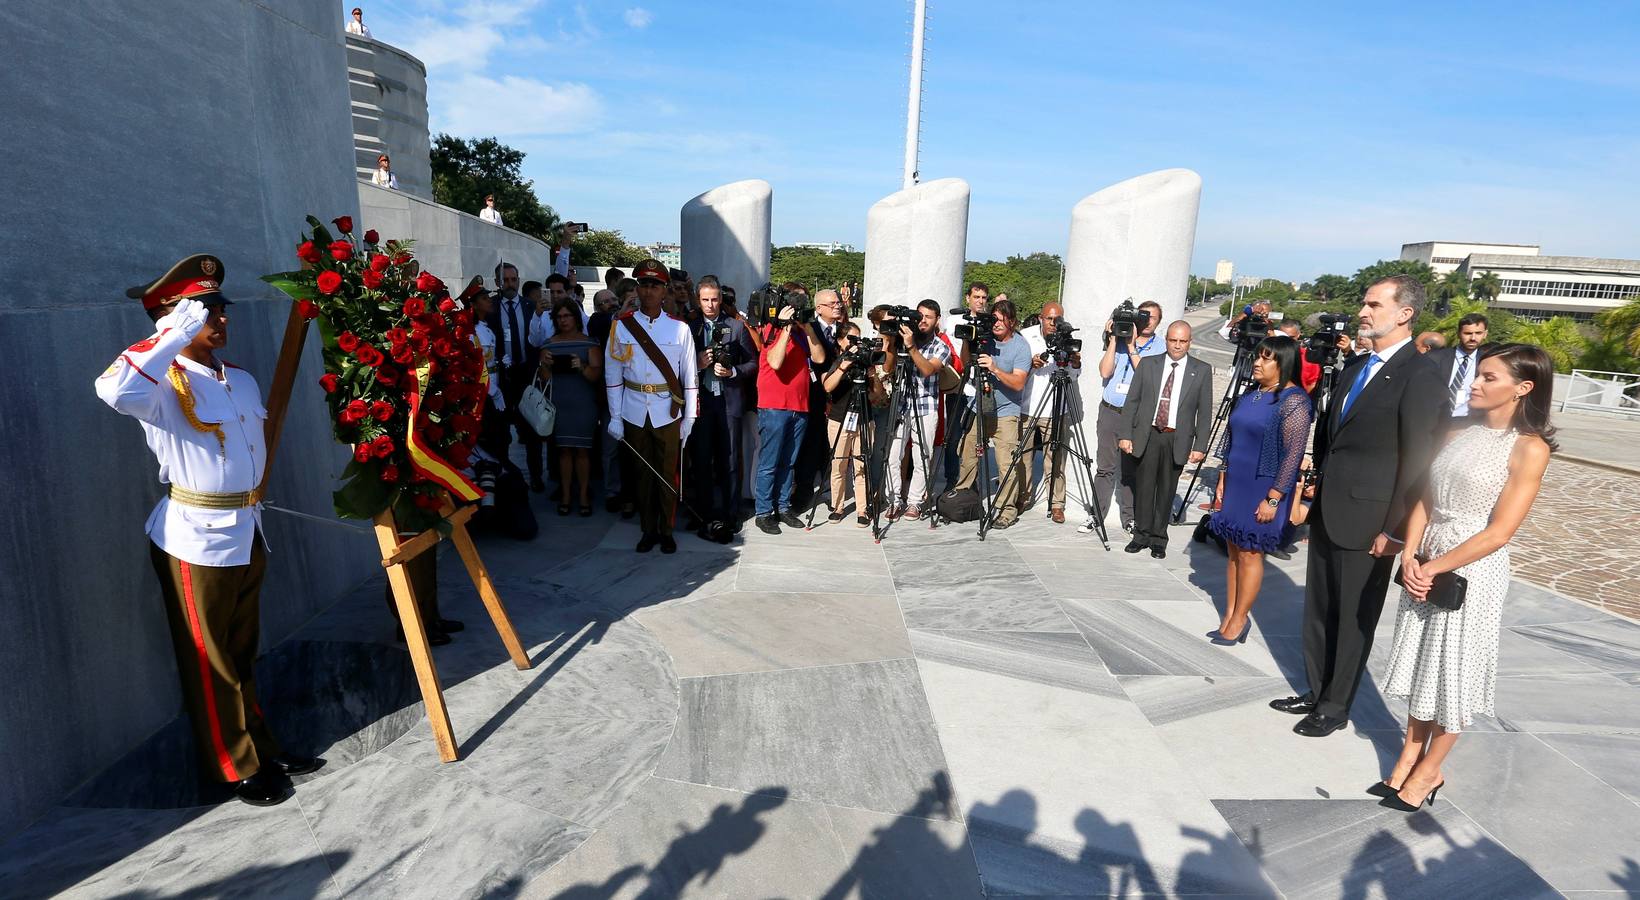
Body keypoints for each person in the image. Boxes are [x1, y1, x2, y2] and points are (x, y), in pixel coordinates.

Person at [95, 254, 321, 807]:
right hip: (193, 538)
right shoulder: (160, 385)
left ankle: (260, 746)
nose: (221, 319)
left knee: (241, 652)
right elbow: (113, 390)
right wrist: (173, 332)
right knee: (209, 659)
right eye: (207, 311)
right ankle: (233, 765)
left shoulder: (238, 379)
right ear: (174, 318)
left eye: (220, 309)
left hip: (247, 529)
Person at [1376, 343, 1555, 812]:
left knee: (1455, 671)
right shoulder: (1458, 434)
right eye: (1477, 375)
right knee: (1422, 666)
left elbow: (1499, 532)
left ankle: (1430, 770)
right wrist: (1411, 554)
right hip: (1427, 557)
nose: (1475, 383)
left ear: (1523, 387)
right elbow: (1426, 499)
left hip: (1472, 569)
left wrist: (1434, 566)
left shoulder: (1529, 448)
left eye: (1489, 378)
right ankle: (1407, 758)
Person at [1271, 274, 1446, 738]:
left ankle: (1335, 704)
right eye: (1364, 304)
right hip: (1330, 509)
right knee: (1319, 607)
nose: (1363, 312)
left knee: (1353, 616)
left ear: (1404, 313)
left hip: (1372, 522)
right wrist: (1310, 494)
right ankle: (1314, 688)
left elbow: (1419, 459)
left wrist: (1397, 529)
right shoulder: (1355, 367)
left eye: (1373, 304)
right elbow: (1330, 440)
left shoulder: (1421, 374)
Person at [1203, 335, 1310, 641]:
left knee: (1250, 553)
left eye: (1266, 358)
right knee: (1234, 550)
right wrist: (1222, 477)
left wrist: (1274, 499)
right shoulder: (1252, 394)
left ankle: (1240, 620)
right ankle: (1229, 616)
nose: (1257, 363)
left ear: (1283, 363)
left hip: (1264, 486)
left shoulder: (1294, 401)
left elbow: (1293, 455)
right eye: (1257, 357)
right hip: (1237, 481)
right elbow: (1232, 440)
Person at [605, 260, 698, 552]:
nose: (648, 291)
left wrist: (691, 415)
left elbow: (690, 376)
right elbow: (613, 374)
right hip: (633, 409)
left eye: (655, 285)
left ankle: (666, 530)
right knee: (641, 474)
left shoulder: (679, 329)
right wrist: (615, 416)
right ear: (637, 288)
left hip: (667, 411)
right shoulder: (621, 326)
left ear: (664, 290)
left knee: (668, 472)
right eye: (643, 284)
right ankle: (648, 529)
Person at [1118, 321, 1215, 558]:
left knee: (1166, 491)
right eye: (1173, 340)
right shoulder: (1149, 364)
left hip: (1176, 438)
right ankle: (1140, 535)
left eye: (1183, 341)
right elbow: (1132, 401)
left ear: (1190, 342)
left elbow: (1204, 413)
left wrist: (1200, 446)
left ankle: (1159, 539)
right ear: (1167, 340)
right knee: (1144, 488)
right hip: (1148, 435)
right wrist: (1125, 435)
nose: (1178, 346)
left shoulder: (1201, 370)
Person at [953, 298, 1034, 527]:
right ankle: (961, 501)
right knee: (967, 456)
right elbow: (965, 362)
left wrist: (995, 369)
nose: (996, 324)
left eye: (1001, 320)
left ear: (1013, 321)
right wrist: (969, 341)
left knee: (1006, 462)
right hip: (979, 406)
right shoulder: (985, 338)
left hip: (1006, 411)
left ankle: (1008, 510)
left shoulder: (1021, 346)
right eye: (993, 319)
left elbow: (1019, 383)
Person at [690, 276, 758, 536]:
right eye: (705, 299)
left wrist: (733, 372)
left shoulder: (736, 327)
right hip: (701, 402)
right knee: (702, 460)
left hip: (729, 401)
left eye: (714, 299)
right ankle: (704, 515)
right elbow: (676, 367)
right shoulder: (689, 328)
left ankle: (731, 514)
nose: (710, 304)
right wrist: (696, 364)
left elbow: (753, 363)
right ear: (699, 299)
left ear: (721, 299)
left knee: (729, 460)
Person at [753, 297, 826, 534]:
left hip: (800, 407)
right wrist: (785, 327)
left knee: (789, 462)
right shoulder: (770, 330)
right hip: (774, 406)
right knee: (769, 463)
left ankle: (782, 507)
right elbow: (774, 362)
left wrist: (806, 328)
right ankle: (763, 512)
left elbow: (820, 358)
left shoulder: (804, 333)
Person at [1093, 300, 1167, 533]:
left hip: (1135, 417)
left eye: (1151, 317)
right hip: (1110, 411)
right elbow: (1105, 371)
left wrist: (1133, 346)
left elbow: (1149, 378)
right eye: (1143, 316)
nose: (1146, 321)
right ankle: (1096, 515)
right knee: (1104, 467)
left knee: (1130, 470)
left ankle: (1129, 518)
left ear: (1158, 322)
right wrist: (1114, 339)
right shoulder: (1121, 340)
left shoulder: (1161, 347)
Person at [884, 302, 952, 520]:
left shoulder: (940, 347)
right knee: (893, 454)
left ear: (937, 320)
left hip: (926, 406)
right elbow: (887, 368)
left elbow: (927, 369)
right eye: (919, 315)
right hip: (901, 403)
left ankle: (914, 502)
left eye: (928, 317)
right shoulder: (904, 339)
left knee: (922, 456)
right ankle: (893, 500)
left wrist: (911, 347)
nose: (922, 320)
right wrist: (892, 342)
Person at [1020, 302, 1082, 523]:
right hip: (1027, 407)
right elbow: (1016, 368)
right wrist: (1030, 364)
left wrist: (1075, 364)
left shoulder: (1067, 336)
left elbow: (1074, 377)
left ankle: (1056, 504)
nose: (1054, 324)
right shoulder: (1025, 336)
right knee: (1023, 457)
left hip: (1056, 409)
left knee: (1055, 459)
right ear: (1040, 318)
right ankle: (1024, 497)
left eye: (1058, 319)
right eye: (1049, 319)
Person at [540, 298, 603, 516]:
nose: (563, 320)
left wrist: (581, 366)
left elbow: (596, 375)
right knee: (564, 451)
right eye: (559, 316)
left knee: (583, 452)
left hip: (583, 404)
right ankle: (566, 495)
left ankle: (584, 494)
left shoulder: (590, 343)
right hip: (559, 403)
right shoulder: (548, 344)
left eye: (567, 315)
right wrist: (544, 364)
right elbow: (544, 378)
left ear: (576, 317)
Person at [485, 266, 546, 492]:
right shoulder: (490, 307)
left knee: (531, 430)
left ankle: (537, 476)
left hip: (526, 374)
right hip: (501, 377)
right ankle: (503, 474)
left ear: (519, 280)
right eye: (506, 280)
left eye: (513, 279)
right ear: (497, 281)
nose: (510, 284)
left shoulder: (531, 307)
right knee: (501, 431)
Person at [821, 322, 888, 525]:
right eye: (851, 340)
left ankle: (862, 510)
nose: (855, 345)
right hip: (839, 419)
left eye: (858, 339)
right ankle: (837, 506)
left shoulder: (865, 363)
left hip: (864, 420)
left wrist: (873, 375)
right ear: (841, 342)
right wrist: (844, 366)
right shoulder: (837, 361)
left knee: (862, 465)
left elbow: (876, 396)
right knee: (838, 464)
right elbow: (827, 387)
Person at [790, 288, 846, 513]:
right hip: (813, 398)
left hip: (842, 397)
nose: (837, 305)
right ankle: (803, 495)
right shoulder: (807, 329)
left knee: (834, 450)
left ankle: (836, 495)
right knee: (810, 448)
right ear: (819, 308)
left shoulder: (845, 330)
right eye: (831, 303)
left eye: (838, 302)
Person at [942, 281, 990, 490]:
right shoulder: (953, 321)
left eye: (983, 298)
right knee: (952, 437)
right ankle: (951, 480)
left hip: (981, 385)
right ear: (968, 298)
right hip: (959, 385)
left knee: (977, 439)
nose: (980, 301)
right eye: (976, 297)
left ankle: (971, 481)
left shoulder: (990, 322)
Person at [1427, 313, 1489, 418]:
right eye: (1468, 333)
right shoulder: (1436, 358)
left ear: (1485, 334)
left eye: (1478, 333)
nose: (1473, 338)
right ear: (1459, 333)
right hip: (1435, 418)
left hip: (1468, 422)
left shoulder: (1487, 361)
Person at [1277, 320, 1322, 393]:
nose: (1288, 341)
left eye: (1291, 338)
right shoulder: (1268, 355)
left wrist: (1298, 397)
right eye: (1284, 337)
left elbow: (1313, 383)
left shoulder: (1309, 358)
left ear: (1298, 335)